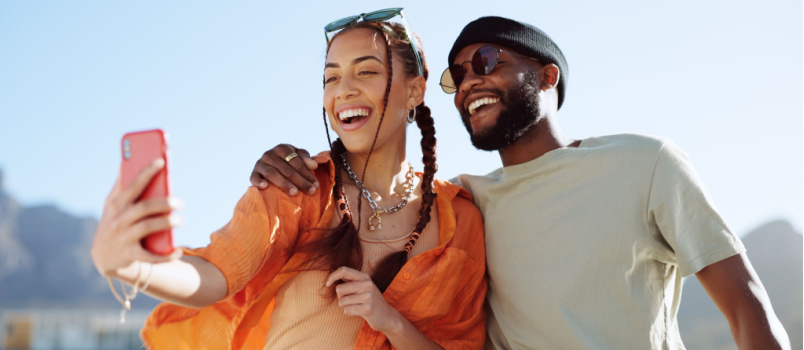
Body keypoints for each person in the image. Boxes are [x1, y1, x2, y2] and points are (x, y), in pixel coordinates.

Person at [248, 16, 791, 349]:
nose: (469, 83)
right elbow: (375, 188)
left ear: (547, 75)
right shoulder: (463, 202)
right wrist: (287, 161)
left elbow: (747, 308)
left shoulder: (646, 163)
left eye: (485, 61)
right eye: (457, 75)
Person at [91, 8, 487, 350]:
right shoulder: (296, 188)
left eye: (366, 71)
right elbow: (215, 275)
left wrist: (391, 321)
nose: (344, 91)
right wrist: (132, 266)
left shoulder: (461, 220)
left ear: (415, 91)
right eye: (331, 78)